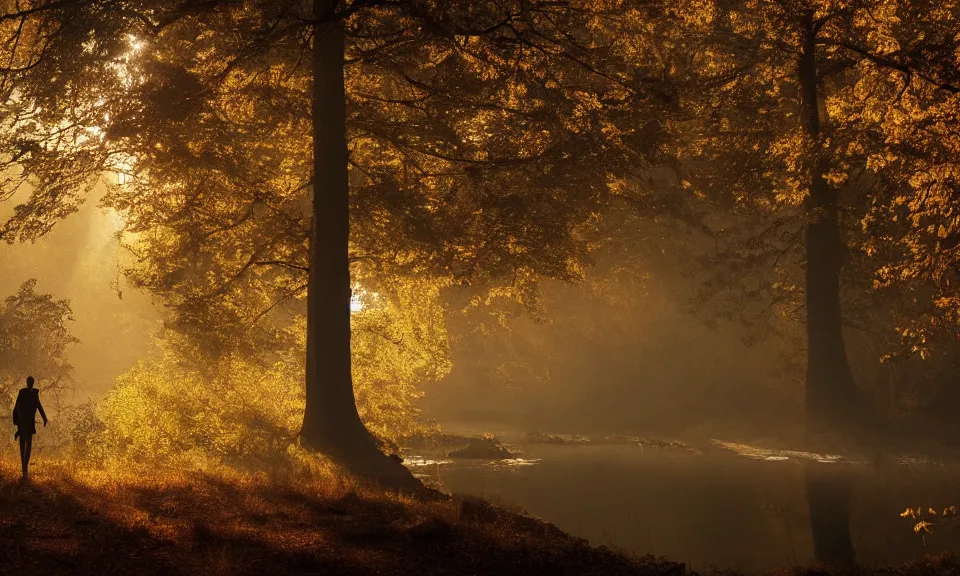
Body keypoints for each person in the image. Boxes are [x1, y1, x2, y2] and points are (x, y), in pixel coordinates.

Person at [12, 376, 47, 480]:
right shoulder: (22, 393)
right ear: (27, 383)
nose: (30, 383)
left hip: (30, 422)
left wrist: (44, 418)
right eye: (29, 382)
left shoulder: (35, 394)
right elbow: (17, 406)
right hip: (23, 422)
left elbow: (39, 406)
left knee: (29, 446)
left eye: (31, 382)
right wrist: (19, 418)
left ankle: (25, 468)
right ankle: (24, 470)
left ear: (33, 382)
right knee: (23, 446)